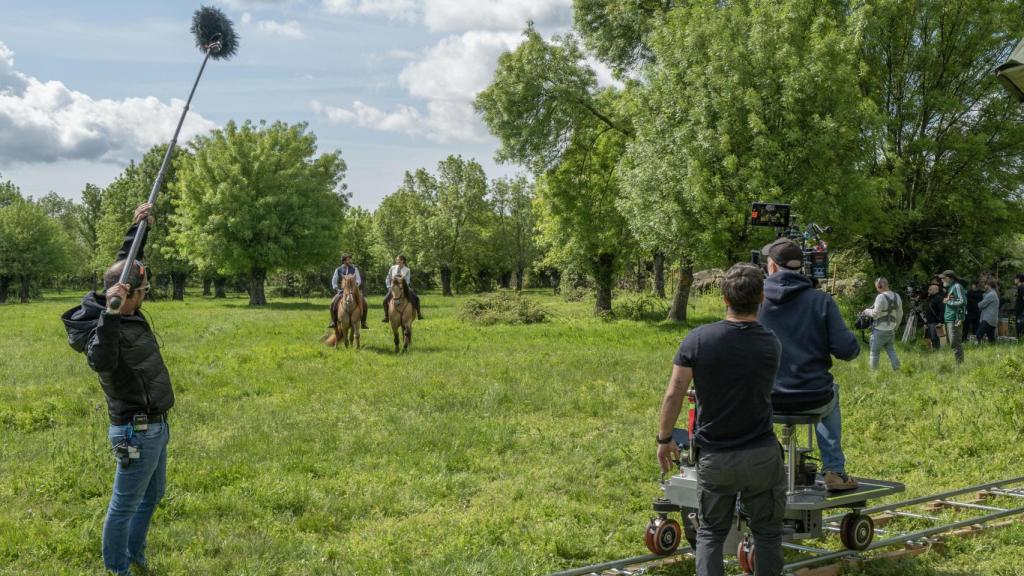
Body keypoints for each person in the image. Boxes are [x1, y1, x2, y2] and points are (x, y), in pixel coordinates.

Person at [61, 203, 173, 576]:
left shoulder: (126, 307)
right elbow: (101, 360)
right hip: (135, 429)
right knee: (124, 504)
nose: (145, 295)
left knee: (152, 495)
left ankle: (134, 554)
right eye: (142, 290)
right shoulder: (104, 326)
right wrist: (110, 314)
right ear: (125, 297)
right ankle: (117, 569)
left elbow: (124, 265)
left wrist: (138, 228)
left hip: (156, 425)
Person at [657, 263, 785, 576]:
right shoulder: (771, 343)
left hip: (716, 455)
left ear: (724, 299)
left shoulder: (697, 340)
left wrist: (663, 438)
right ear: (762, 299)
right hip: (761, 454)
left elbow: (675, 392)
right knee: (768, 534)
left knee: (711, 532)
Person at [757, 238, 860, 491]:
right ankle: (834, 470)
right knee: (832, 394)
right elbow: (847, 350)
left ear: (771, 267)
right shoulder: (820, 301)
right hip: (813, 396)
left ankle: (757, 468)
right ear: (801, 268)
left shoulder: (754, 300)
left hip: (763, 398)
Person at [862, 277, 903, 370]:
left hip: (879, 329)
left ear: (879, 286)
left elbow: (875, 314)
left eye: (877, 287)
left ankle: (873, 372)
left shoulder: (880, 297)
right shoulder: (897, 296)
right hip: (891, 329)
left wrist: (866, 311)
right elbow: (900, 314)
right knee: (891, 350)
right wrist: (896, 327)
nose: (877, 289)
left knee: (874, 352)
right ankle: (897, 368)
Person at [330, 254, 368, 329]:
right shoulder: (338, 270)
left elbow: (358, 280)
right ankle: (333, 321)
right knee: (332, 303)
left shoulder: (354, 269)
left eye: (350, 259)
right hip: (342, 291)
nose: (350, 261)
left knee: (364, 302)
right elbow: (334, 281)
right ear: (344, 261)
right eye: (348, 259)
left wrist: (355, 287)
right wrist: (337, 289)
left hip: (354, 290)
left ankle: (363, 322)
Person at [382, 254, 422, 322]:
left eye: (398, 260)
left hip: (404, 287)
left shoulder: (407, 270)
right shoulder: (392, 268)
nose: (396, 261)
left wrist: (402, 285)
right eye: (396, 260)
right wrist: (389, 286)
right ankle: (386, 317)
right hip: (394, 288)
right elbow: (388, 277)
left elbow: (408, 280)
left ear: (402, 261)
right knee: (385, 300)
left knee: (416, 298)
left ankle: (419, 314)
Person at [940, 270, 966, 364]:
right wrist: (948, 300)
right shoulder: (951, 287)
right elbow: (954, 299)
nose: (942, 280)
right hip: (950, 318)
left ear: (948, 278)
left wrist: (949, 302)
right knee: (953, 343)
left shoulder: (957, 286)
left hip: (955, 318)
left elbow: (962, 301)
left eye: (943, 278)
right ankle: (959, 363)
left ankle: (960, 365)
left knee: (955, 343)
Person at [976, 278, 999, 344]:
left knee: (978, 334)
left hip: (988, 319)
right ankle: (993, 351)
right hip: (992, 320)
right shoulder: (994, 293)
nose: (984, 286)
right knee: (991, 338)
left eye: (985, 285)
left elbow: (980, 305)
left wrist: (979, 303)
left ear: (989, 285)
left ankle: (977, 349)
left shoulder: (990, 295)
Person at [924, 283, 945, 350]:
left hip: (935, 321)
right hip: (929, 321)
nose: (928, 291)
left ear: (935, 290)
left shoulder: (938, 298)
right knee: (928, 337)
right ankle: (931, 350)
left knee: (935, 337)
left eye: (930, 289)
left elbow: (942, 310)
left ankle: (937, 351)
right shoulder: (930, 298)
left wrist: (940, 321)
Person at [1015, 274, 1024, 340]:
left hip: (1021, 312)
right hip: (1020, 311)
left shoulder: (1021, 287)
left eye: (1015, 278)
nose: (1014, 280)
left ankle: (1020, 340)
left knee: (1020, 327)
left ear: (1018, 279)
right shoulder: (1020, 287)